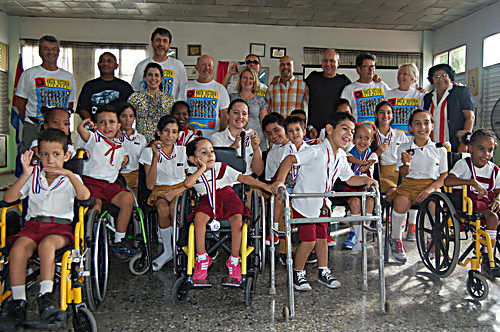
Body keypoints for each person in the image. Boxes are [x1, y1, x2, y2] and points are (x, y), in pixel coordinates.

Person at [271, 112, 378, 291]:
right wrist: (280, 181)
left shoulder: (341, 156)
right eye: (345, 129)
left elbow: (349, 179)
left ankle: (324, 271)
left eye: (351, 132)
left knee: (322, 239)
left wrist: (367, 180)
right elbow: (290, 159)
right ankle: (297, 272)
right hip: (305, 203)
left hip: (322, 204)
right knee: (309, 241)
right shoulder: (316, 151)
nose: (349, 135)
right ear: (329, 130)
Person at [2, 129, 90, 325]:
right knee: (17, 250)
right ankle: (18, 301)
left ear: (67, 155)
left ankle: (46, 296)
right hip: (33, 226)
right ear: (38, 155)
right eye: (45, 154)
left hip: (60, 228)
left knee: (47, 246)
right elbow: (9, 198)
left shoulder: (70, 178)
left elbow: (84, 196)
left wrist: (69, 173)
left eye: (56, 154)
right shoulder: (33, 177)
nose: (50, 160)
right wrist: (25, 174)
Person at [184, 138, 271, 282]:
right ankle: (202, 258)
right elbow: (187, 184)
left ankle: (234, 260)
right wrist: (201, 168)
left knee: (237, 219)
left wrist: (265, 186)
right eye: (204, 152)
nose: (211, 155)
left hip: (228, 196)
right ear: (193, 159)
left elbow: (243, 178)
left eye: (212, 151)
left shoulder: (222, 167)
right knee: (198, 219)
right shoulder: (193, 173)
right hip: (207, 200)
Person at [387, 109, 448, 264]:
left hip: (432, 185)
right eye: (417, 123)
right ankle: (395, 238)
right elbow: (403, 173)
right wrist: (406, 163)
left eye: (426, 123)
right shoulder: (404, 147)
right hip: (409, 184)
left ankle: (432, 239)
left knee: (435, 205)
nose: (422, 127)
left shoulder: (440, 149)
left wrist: (429, 189)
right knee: (401, 202)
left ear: (432, 126)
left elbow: (443, 176)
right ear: (411, 128)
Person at [78, 105, 135, 256]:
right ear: (96, 126)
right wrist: (84, 125)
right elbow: (82, 132)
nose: (107, 126)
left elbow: (121, 160)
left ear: (119, 126)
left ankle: (119, 239)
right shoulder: (94, 138)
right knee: (95, 204)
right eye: (102, 122)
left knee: (127, 199)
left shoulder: (120, 147)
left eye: (111, 122)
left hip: (110, 185)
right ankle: (88, 240)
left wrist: (125, 158)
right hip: (91, 183)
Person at [444, 129, 499, 276]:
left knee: (494, 213)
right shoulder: (464, 164)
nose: (486, 154)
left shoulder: (494, 170)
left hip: (486, 204)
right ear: (471, 148)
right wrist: (472, 182)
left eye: (490, 150)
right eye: (481, 149)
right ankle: (488, 257)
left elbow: (498, 190)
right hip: (465, 204)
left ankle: (488, 246)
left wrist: (498, 199)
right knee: (493, 217)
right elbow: (447, 181)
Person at [140, 116, 188, 271]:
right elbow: (150, 184)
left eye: (174, 132)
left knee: (175, 208)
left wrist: (177, 191)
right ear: (158, 132)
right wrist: (155, 156)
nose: (170, 135)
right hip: (160, 189)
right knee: (162, 208)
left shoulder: (184, 151)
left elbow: (192, 178)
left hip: (181, 188)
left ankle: (178, 247)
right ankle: (168, 250)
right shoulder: (149, 152)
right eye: (166, 131)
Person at [16, 35, 77, 154]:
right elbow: (20, 103)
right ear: (40, 52)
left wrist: (61, 122)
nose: (50, 52)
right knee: (31, 156)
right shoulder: (29, 74)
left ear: (58, 52)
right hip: (34, 125)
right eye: (46, 49)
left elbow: (69, 105)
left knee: (60, 156)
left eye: (53, 49)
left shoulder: (68, 77)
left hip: (59, 127)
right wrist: (33, 120)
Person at [422, 64, 475, 152]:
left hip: (455, 144)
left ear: (450, 76)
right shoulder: (428, 97)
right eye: (436, 76)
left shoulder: (461, 92)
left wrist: (464, 143)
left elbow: (470, 117)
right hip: (432, 145)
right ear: (432, 79)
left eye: (444, 75)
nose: (440, 79)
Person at [344, 124, 378, 253]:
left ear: (372, 140)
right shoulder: (349, 153)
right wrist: (364, 162)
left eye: (367, 138)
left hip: (366, 185)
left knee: (370, 201)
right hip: (351, 185)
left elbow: (365, 169)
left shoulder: (373, 155)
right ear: (353, 138)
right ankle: (359, 239)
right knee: (355, 202)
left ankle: (360, 238)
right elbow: (351, 159)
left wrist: (364, 163)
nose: (363, 141)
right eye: (359, 137)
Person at [179, 55, 230, 138]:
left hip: (213, 137)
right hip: (190, 135)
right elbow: (180, 111)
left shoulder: (220, 89)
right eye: (203, 65)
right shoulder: (186, 87)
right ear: (196, 67)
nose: (207, 68)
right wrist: (187, 127)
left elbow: (224, 114)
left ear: (213, 68)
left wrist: (221, 133)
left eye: (210, 65)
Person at [211, 99, 264, 176]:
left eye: (244, 114)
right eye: (236, 113)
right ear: (228, 115)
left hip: (248, 184)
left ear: (248, 117)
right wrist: (234, 147)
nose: (240, 117)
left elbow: (258, 172)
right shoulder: (217, 137)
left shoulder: (252, 138)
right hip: (226, 184)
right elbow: (217, 167)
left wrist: (256, 149)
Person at [131, 27, 187, 99]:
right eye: (158, 40)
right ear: (152, 43)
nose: (161, 44)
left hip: (170, 109)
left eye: (165, 41)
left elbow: (183, 92)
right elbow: (134, 91)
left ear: (169, 45)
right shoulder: (142, 65)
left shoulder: (178, 65)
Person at [77, 52, 134, 120]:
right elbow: (82, 109)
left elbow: (131, 110)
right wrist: (93, 125)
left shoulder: (125, 87)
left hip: (119, 129)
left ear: (116, 66)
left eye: (109, 61)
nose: (105, 64)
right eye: (102, 61)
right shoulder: (89, 86)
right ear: (98, 65)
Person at [305, 49, 351, 133]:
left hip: (335, 131)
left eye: (332, 61)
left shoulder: (344, 81)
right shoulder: (313, 78)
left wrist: (374, 79)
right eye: (325, 61)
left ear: (338, 63)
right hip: (313, 131)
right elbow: (297, 86)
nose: (328, 64)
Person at [128, 62, 174, 143]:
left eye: (156, 75)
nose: (153, 78)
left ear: (161, 79)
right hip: (141, 143)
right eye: (150, 75)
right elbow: (126, 117)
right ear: (144, 78)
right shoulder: (135, 97)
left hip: (163, 143)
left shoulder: (169, 99)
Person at [340, 52, 389, 124]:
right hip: (360, 132)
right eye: (367, 67)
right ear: (359, 69)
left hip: (379, 132)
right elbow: (343, 113)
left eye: (372, 66)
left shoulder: (382, 85)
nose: (371, 70)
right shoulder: (349, 89)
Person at [229, 67, 268, 151]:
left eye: (251, 78)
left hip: (257, 139)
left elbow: (264, 122)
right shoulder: (232, 97)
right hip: (236, 139)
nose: (247, 80)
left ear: (255, 81)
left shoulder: (260, 100)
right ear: (240, 79)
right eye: (245, 77)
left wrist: (270, 141)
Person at [385, 63, 425, 135]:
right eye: (399, 73)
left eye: (405, 74)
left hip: (413, 137)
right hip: (393, 137)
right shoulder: (388, 94)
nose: (400, 76)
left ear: (413, 77)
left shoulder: (420, 95)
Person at [117, 103, 147, 197]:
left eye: (131, 116)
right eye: (124, 116)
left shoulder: (140, 138)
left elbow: (144, 163)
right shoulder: (112, 136)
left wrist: (140, 178)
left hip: (135, 176)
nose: (128, 120)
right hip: (117, 176)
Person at [262, 113, 289, 182]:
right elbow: (271, 179)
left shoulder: (297, 143)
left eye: (276, 130)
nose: (273, 136)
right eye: (269, 133)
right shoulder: (272, 154)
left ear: (285, 127)